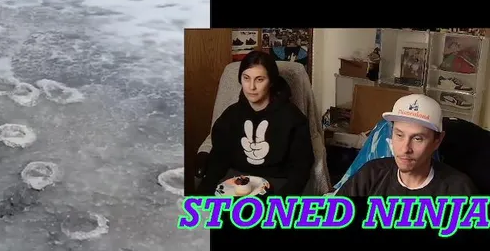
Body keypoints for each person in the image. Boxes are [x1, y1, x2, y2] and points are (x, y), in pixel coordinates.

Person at [198, 50, 313, 195]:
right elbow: (218, 158)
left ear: (271, 81)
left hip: (277, 184)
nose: (251, 87)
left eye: (259, 79)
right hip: (235, 181)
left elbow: (301, 168)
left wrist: (281, 201)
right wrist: (203, 195)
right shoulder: (230, 115)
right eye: (246, 78)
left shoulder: (293, 118)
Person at [337, 94, 479, 196]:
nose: (405, 149)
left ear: (437, 140)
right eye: (399, 135)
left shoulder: (458, 190)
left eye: (417, 138)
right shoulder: (371, 175)